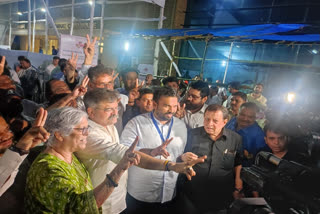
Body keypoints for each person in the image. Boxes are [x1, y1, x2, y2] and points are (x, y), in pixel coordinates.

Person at [76, 88, 205, 214]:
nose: (116, 113)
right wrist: (170, 165)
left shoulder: (109, 125)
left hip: (127, 198)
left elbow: (175, 153)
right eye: (109, 109)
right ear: (91, 112)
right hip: (106, 201)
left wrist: (181, 158)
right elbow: (127, 154)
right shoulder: (88, 135)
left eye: (116, 108)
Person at [24, 107, 141, 213]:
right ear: (59, 135)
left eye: (87, 128)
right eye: (82, 129)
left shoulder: (70, 155)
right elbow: (82, 208)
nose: (87, 133)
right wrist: (119, 169)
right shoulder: (48, 168)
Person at [120, 87, 193, 214]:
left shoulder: (180, 126)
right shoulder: (136, 124)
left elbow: (178, 154)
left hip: (169, 193)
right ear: (154, 104)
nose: (171, 110)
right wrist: (151, 152)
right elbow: (124, 152)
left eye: (175, 106)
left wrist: (184, 157)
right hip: (141, 194)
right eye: (166, 106)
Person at [177, 104, 243, 213]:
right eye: (207, 119)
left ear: (225, 122)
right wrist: (182, 157)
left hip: (221, 196)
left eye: (215, 121)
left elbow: (238, 162)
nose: (209, 124)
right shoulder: (191, 135)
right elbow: (177, 158)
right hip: (192, 194)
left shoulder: (235, 139)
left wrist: (238, 183)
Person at [0, 108, 50, 196]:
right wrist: (20, 149)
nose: (6, 136)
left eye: (7, 129)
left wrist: (24, 146)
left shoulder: (12, 149)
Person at [226, 102, 267, 166]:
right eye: (242, 115)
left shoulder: (259, 135)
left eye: (250, 117)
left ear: (255, 118)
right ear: (238, 113)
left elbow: (259, 158)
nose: (245, 119)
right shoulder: (233, 120)